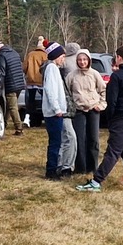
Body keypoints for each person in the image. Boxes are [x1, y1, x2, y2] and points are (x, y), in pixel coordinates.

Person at [78, 44, 123, 191]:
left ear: (119, 57)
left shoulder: (117, 76)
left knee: (113, 150)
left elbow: (112, 101)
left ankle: (97, 181)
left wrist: (111, 120)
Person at [68, 49, 104, 176]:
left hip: (93, 110)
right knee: (79, 138)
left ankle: (93, 166)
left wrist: (101, 105)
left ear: (89, 60)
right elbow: (67, 93)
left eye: (84, 59)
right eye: (80, 60)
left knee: (93, 139)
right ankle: (80, 167)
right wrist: (71, 107)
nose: (82, 62)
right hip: (79, 111)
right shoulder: (72, 76)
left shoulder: (95, 74)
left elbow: (103, 90)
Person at [41, 43, 75, 178]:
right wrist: (57, 109)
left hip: (55, 111)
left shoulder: (53, 68)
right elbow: (51, 91)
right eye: (62, 56)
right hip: (54, 113)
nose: (63, 59)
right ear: (56, 56)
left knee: (57, 141)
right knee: (55, 143)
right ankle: (51, 171)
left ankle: (54, 168)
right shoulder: (51, 69)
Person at [0, 40, 27, 134]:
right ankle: (4, 123)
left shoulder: (1, 55)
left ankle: (19, 128)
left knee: (13, 107)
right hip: (20, 83)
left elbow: (2, 72)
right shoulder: (14, 52)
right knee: (9, 105)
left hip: (11, 84)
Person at [23, 39, 50, 130]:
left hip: (31, 81)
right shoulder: (45, 55)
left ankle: (29, 119)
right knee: (44, 101)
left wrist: (28, 74)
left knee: (31, 101)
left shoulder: (30, 54)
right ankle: (45, 119)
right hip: (41, 81)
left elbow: (24, 67)